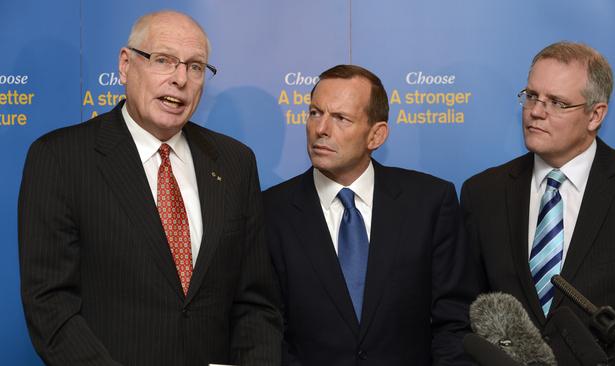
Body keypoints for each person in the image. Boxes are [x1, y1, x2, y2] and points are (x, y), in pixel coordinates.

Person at [18, 10, 281, 366]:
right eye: (164, 60)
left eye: (195, 67)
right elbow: (50, 304)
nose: (180, 79)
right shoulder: (61, 158)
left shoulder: (235, 162)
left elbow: (255, 302)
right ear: (126, 65)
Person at [263, 64, 475, 365]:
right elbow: (266, 328)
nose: (321, 129)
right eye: (315, 113)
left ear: (376, 136)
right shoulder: (271, 211)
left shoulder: (430, 202)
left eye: (340, 118)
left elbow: (454, 320)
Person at [461, 41, 615, 362]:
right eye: (532, 96)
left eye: (557, 102)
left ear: (595, 115)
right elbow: (466, 304)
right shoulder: (482, 192)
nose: (536, 111)